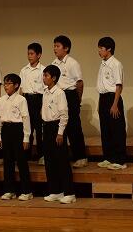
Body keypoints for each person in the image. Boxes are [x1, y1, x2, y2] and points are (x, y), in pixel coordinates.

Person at [41, 65, 76, 204]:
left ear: (54, 78)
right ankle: (55, 191)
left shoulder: (59, 93)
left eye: (46, 76)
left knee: (62, 161)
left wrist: (60, 133)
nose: (44, 78)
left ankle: (69, 193)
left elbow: (64, 115)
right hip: (47, 127)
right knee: (49, 161)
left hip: (57, 128)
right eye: (43, 75)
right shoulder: (45, 92)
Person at [52, 35, 87, 168]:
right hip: (58, 96)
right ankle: (62, 157)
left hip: (70, 95)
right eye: (54, 46)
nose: (55, 49)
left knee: (74, 127)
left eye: (58, 46)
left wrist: (77, 99)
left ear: (66, 48)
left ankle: (81, 157)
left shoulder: (72, 63)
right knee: (60, 127)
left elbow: (79, 83)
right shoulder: (54, 63)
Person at [0, 73, 32, 201]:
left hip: (18, 130)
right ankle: (9, 190)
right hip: (6, 129)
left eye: (9, 83)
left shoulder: (21, 100)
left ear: (16, 85)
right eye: (5, 83)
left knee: (21, 161)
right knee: (8, 161)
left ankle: (26, 191)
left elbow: (25, 118)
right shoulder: (2, 100)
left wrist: (26, 137)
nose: (6, 86)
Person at [96, 37, 127, 170]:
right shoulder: (102, 64)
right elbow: (102, 86)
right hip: (103, 98)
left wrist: (115, 104)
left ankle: (120, 160)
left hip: (113, 98)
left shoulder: (116, 64)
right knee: (105, 130)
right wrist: (99, 104)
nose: (99, 51)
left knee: (116, 130)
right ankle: (108, 157)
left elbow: (118, 85)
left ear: (109, 49)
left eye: (101, 48)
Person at [19, 42, 45, 164]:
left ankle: (42, 155)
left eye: (32, 54)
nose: (29, 56)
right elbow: (21, 89)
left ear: (39, 55)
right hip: (26, 100)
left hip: (39, 99)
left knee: (39, 129)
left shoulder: (43, 70)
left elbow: (46, 90)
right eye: (28, 54)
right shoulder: (24, 70)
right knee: (27, 128)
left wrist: (43, 106)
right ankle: (26, 154)